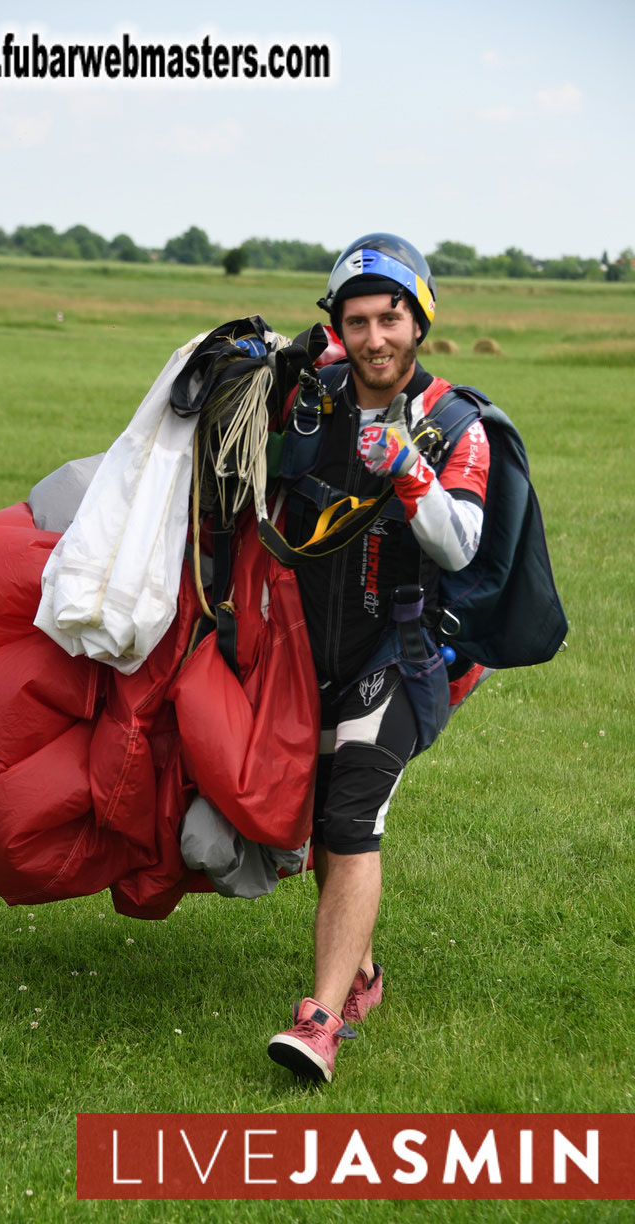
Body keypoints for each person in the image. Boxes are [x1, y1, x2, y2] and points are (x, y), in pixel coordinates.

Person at [267, 233, 491, 1083]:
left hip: (402, 652)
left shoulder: (454, 426)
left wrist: (407, 470)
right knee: (317, 816)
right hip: (304, 650)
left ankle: (319, 1021)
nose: (374, 338)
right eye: (356, 322)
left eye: (390, 318)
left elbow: (462, 544)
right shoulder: (312, 400)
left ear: (419, 319)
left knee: (354, 816)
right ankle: (362, 969)